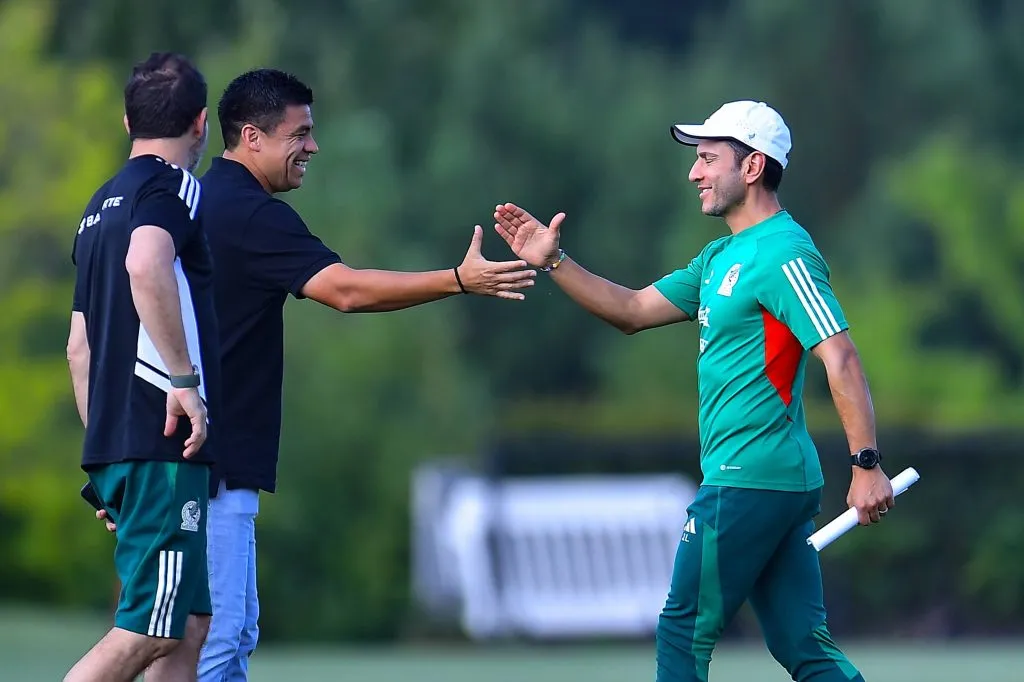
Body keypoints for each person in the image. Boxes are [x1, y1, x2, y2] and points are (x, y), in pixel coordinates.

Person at [493, 100, 894, 682]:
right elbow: (631, 310)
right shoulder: (720, 256)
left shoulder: (784, 251)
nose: (694, 172)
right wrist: (554, 261)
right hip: (768, 482)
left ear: (752, 167)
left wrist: (866, 465)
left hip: (747, 479)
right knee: (801, 645)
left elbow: (842, 357)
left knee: (681, 634)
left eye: (708, 159)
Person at [188, 67, 531, 681]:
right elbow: (344, 290)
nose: (313, 147)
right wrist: (457, 280)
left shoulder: (198, 201)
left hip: (190, 459)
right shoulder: (248, 215)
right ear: (252, 136)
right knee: (219, 640)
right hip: (217, 462)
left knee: (225, 636)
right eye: (301, 133)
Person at [65, 52, 222, 682]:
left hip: (123, 442)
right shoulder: (174, 185)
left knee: (187, 627)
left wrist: (106, 454)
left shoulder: (97, 206)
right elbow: (146, 261)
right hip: (161, 444)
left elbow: (80, 348)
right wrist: (184, 383)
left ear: (127, 120)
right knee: (150, 629)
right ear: (201, 124)